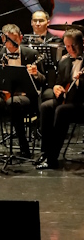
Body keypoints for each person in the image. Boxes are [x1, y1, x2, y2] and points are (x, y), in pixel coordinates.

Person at [0, 23, 45, 160]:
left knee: (14, 103)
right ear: (3, 39)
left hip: (25, 97)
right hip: (5, 94)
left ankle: (24, 147)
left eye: (15, 40)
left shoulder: (32, 54)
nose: (12, 44)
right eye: (8, 40)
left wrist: (36, 74)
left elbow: (43, 81)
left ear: (21, 38)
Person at [36, 28, 84, 170]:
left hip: (81, 104)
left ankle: (52, 158)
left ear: (82, 43)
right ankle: (45, 152)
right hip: (67, 100)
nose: (70, 50)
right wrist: (56, 87)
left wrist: (80, 82)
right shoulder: (64, 61)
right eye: (67, 46)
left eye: (73, 46)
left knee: (62, 111)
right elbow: (59, 83)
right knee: (46, 106)